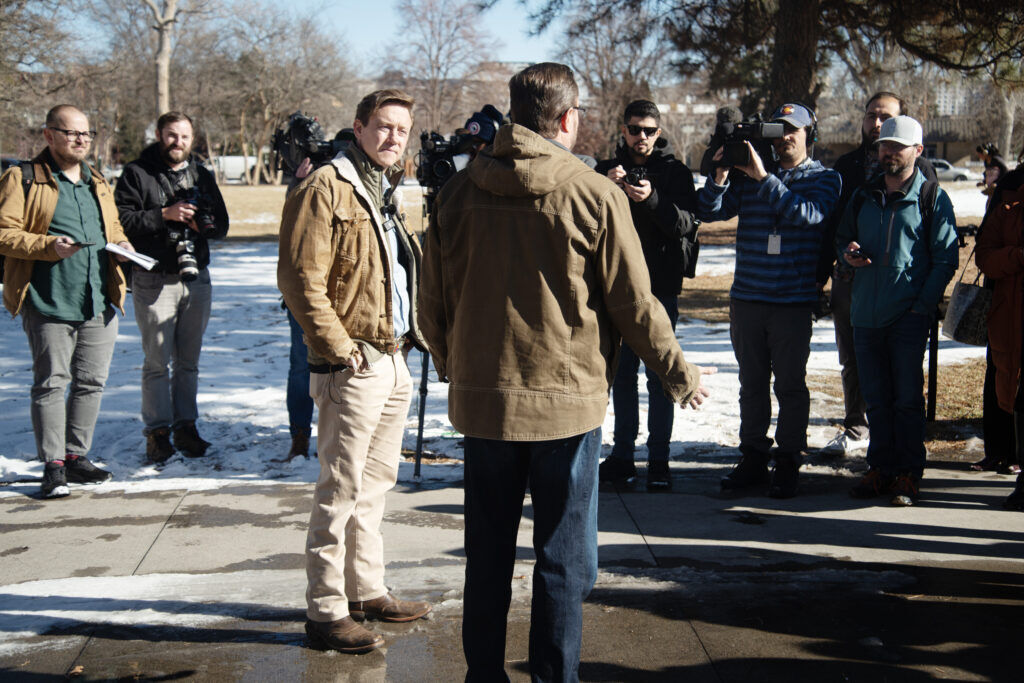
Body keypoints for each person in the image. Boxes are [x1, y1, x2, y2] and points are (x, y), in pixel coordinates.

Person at [418, 62, 712, 682]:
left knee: (488, 555)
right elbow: (633, 303)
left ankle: (484, 676)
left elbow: (433, 300)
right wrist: (678, 373)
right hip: (564, 405)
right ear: (568, 119)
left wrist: (454, 365)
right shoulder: (594, 193)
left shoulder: (459, 192)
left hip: (488, 402)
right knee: (564, 560)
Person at [278, 89, 432, 654]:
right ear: (359, 128)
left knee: (374, 488)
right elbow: (300, 279)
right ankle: (324, 612)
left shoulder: (385, 190)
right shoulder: (326, 185)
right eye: (384, 127)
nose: (395, 139)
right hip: (353, 363)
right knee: (338, 490)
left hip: (391, 358)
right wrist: (340, 348)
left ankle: (365, 591)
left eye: (403, 130)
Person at [697, 102, 840, 498]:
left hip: (792, 302)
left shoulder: (826, 179)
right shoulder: (750, 176)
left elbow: (807, 215)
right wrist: (722, 173)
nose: (785, 138)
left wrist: (762, 177)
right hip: (747, 298)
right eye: (778, 130)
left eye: (792, 130)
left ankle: (789, 459)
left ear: (810, 134)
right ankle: (754, 458)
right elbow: (709, 212)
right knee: (752, 384)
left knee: (791, 386)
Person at [0, 104, 135, 498]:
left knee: (91, 382)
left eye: (86, 134)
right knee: (51, 383)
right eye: (71, 132)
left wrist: (122, 245)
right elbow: (3, 232)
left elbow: (111, 227)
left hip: (97, 296)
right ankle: (53, 464)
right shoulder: (23, 178)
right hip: (48, 298)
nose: (80, 140)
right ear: (48, 135)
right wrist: (46, 246)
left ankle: (76, 458)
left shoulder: (97, 179)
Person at [838, 115, 958, 506]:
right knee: (875, 398)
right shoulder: (863, 195)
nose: (887, 151)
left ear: (918, 151)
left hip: (907, 317)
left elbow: (945, 260)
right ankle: (879, 469)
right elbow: (842, 237)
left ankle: (907, 473)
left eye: (897, 146)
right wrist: (848, 253)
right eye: (884, 145)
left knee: (906, 399)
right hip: (865, 316)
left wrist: (920, 308)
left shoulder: (932, 198)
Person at [818, 92, 936, 456]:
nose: (876, 123)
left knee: (899, 366)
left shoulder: (924, 174)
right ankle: (857, 426)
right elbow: (833, 227)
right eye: (871, 115)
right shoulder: (847, 166)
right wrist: (834, 264)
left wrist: (926, 297)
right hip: (851, 281)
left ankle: (900, 448)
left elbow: (933, 241)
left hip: (900, 287)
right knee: (853, 356)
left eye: (885, 116)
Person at [594, 99, 699, 491]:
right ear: (623, 130)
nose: (642, 137)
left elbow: (687, 224)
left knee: (661, 376)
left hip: (660, 291)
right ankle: (622, 456)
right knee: (621, 378)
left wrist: (652, 198)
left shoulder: (675, 173)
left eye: (649, 131)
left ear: (659, 132)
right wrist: (608, 184)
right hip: (615, 290)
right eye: (635, 129)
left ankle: (659, 460)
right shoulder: (606, 171)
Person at [115, 111, 229, 463]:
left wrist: (201, 225)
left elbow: (222, 225)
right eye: (170, 135)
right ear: (159, 134)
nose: (177, 142)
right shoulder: (137, 173)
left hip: (196, 278)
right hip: (155, 278)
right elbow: (120, 221)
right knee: (156, 363)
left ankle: (186, 426)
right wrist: (163, 215)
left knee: (188, 363)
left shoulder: (201, 175)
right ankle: (158, 432)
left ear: (191, 139)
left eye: (183, 137)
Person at [974, 148, 1024, 509]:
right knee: (1014, 394)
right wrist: (1019, 257)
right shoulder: (1010, 188)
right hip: (1011, 316)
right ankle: (1009, 459)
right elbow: (985, 255)